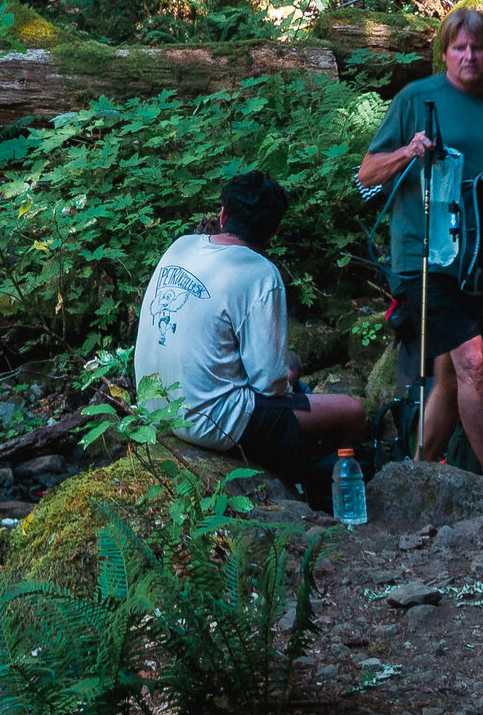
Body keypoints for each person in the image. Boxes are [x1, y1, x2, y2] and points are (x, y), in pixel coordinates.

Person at [357, 6, 483, 475]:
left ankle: (418, 470)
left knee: (451, 374)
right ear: (445, 53)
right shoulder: (417, 99)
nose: (469, 56)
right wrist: (408, 150)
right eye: (459, 48)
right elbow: (367, 173)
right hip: (425, 256)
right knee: (473, 362)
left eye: (478, 47)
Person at [134, 172, 367, 498]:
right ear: (273, 232)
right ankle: (331, 493)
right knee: (351, 411)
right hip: (211, 423)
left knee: (291, 379)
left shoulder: (182, 246)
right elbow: (269, 384)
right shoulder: (261, 274)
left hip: (154, 406)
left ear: (222, 216)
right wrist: (288, 376)